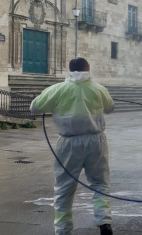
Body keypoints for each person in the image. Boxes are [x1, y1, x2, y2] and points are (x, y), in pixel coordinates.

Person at [30, 58, 114, 235]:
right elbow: (110, 107)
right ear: (87, 69)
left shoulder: (57, 89)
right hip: (96, 141)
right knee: (100, 183)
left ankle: (63, 229)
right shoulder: (98, 89)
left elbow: (34, 108)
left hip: (68, 143)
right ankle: (104, 222)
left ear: (70, 70)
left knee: (64, 187)